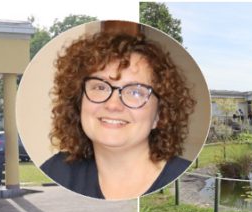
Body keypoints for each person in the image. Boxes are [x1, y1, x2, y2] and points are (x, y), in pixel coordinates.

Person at [41, 26, 195, 199]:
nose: (113, 105)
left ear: (159, 115)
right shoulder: (57, 171)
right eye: (100, 87)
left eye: (135, 92)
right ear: (79, 101)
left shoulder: (183, 180)